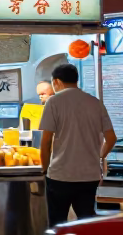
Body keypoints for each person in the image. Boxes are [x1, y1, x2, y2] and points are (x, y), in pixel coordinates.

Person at [39, 63, 117, 226]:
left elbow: (46, 141)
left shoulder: (53, 102)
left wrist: (45, 168)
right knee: (85, 225)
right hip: (89, 176)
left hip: (60, 176)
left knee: (57, 225)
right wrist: (99, 156)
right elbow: (111, 138)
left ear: (57, 82)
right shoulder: (95, 102)